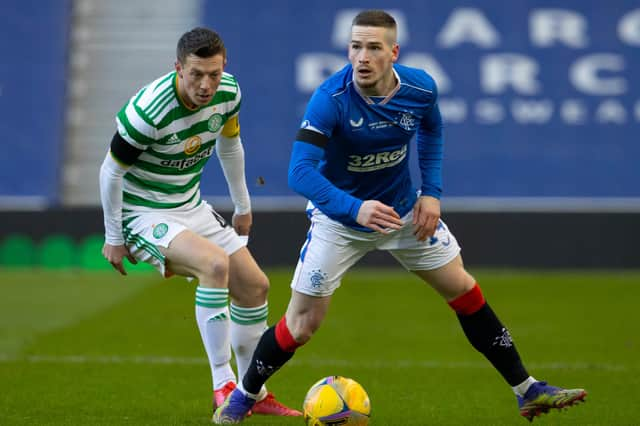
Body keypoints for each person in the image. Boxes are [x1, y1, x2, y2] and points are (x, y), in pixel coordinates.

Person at [213, 10, 587, 424]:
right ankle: (244, 397)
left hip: (404, 213)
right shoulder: (330, 99)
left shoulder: (420, 88)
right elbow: (299, 171)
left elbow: (432, 130)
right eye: (355, 47)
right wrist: (355, 208)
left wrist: (431, 194)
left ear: (394, 52)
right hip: (341, 221)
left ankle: (527, 390)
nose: (362, 57)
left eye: (373, 48)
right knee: (301, 326)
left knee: (464, 290)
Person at [99, 27, 301, 419]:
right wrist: (113, 236)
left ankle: (252, 393)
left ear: (224, 67)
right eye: (196, 75)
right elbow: (110, 172)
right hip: (142, 212)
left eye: (214, 73)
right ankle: (221, 384)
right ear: (178, 68)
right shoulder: (148, 111)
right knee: (214, 265)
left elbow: (230, 145)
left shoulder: (228, 93)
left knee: (255, 286)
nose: (207, 85)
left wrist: (242, 205)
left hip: (189, 205)